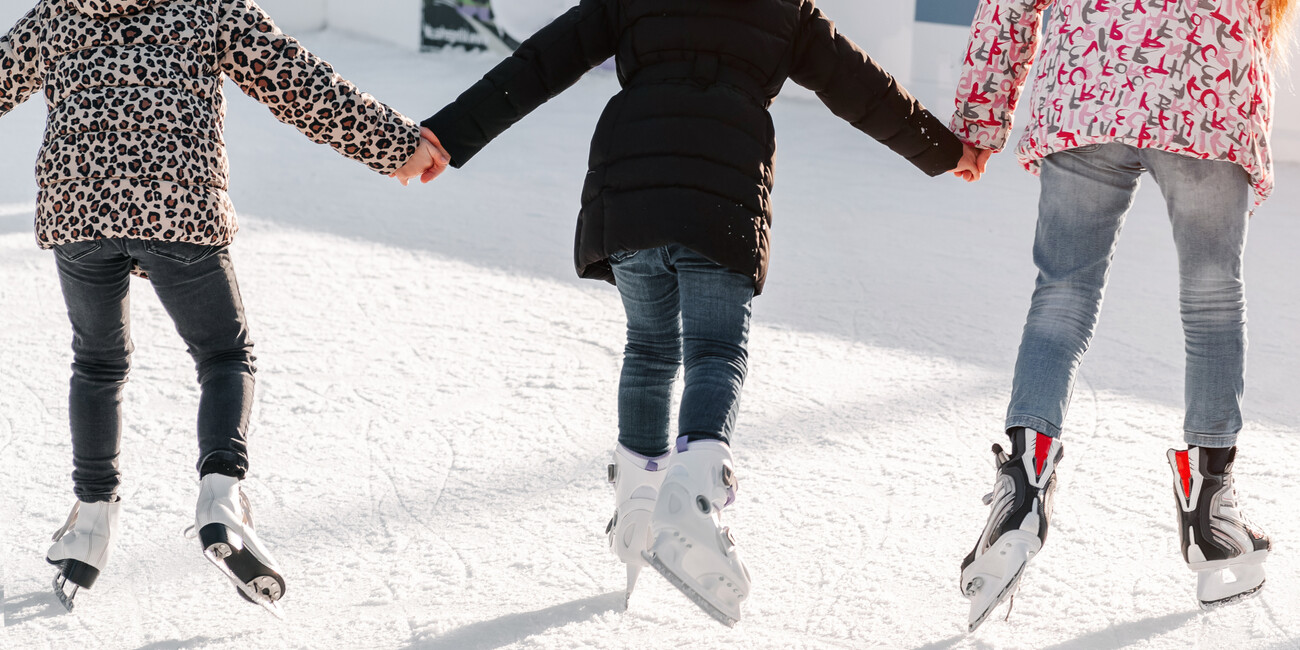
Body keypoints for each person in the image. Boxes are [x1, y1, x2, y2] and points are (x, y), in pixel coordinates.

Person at [421, 0, 981, 626]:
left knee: (650, 349)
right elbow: (859, 86)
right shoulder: (785, 9)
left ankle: (637, 511)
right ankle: (691, 496)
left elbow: (541, 62)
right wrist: (945, 149)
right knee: (715, 349)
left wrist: (448, 133)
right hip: (723, 188)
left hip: (631, 181)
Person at [0, 0, 448, 615]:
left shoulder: (57, 11)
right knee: (222, 354)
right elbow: (299, 83)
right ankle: (220, 499)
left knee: (98, 364)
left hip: (79, 210)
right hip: (177, 205)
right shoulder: (210, 7)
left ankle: (91, 526)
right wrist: (395, 144)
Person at [949, 0, 1293, 631]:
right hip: (1205, 86)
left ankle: (1023, 484)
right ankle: (1210, 505)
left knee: (1062, 292)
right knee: (1212, 297)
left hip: (1088, 77)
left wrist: (980, 120)